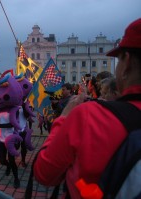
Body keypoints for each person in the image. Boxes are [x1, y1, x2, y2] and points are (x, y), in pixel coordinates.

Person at [33, 18, 141, 199]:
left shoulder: (90, 116)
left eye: (118, 59)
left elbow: (44, 172)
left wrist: (64, 117)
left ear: (127, 62)